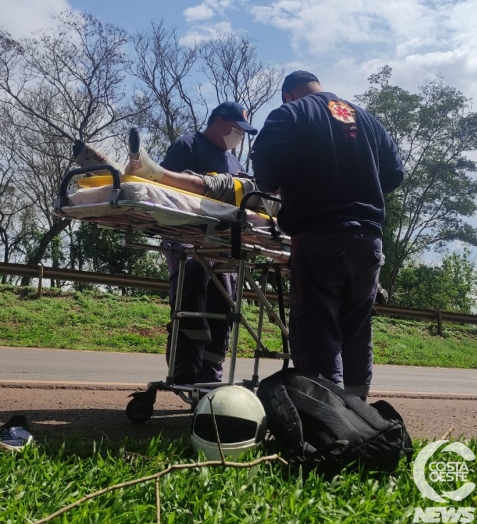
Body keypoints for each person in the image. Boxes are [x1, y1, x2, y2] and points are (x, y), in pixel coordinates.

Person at [72, 101, 259, 384]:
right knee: (194, 282)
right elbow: (160, 193)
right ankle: (185, 369)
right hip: (185, 236)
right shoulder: (188, 145)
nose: (239, 135)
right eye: (237, 128)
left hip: (221, 240)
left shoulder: (234, 163)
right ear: (219, 120)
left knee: (223, 301)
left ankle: (210, 378)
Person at [251, 71, 404, 400]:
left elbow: (265, 173)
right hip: (369, 241)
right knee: (357, 332)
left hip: (320, 235)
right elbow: (393, 175)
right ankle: (358, 418)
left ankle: (327, 421)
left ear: (288, 94)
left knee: (317, 329)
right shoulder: (368, 120)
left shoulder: (290, 113)